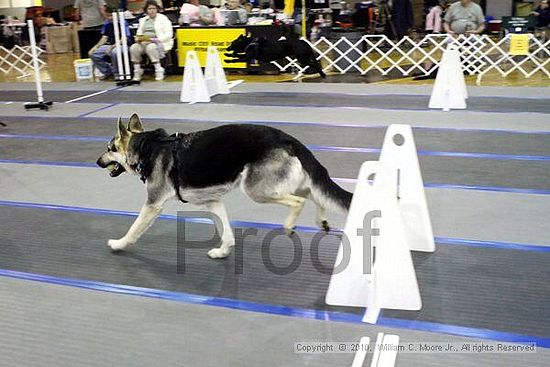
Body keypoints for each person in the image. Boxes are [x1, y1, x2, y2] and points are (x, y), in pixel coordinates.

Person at [130, 0, 174, 81]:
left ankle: (158, 69)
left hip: (158, 42)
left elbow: (169, 35)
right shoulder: (142, 20)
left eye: (153, 8)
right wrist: (138, 39)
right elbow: (139, 33)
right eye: (149, 9)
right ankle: (137, 70)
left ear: (157, 9)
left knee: (151, 47)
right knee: (134, 47)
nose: (152, 10)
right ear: (146, 10)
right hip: (144, 42)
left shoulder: (163, 18)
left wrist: (155, 39)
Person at [89, 6, 132, 80]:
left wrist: (111, 47)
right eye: (107, 15)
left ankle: (117, 73)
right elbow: (104, 37)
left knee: (115, 52)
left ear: (116, 14)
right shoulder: (106, 23)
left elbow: (124, 38)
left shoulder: (123, 22)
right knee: (93, 53)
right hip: (111, 45)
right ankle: (107, 71)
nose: (109, 18)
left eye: (111, 15)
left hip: (123, 45)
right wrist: (95, 47)